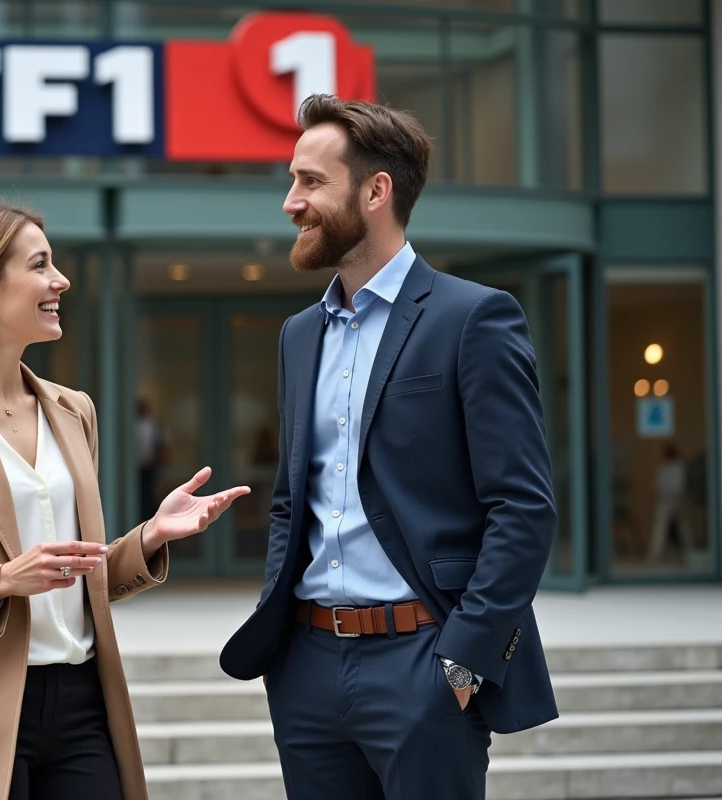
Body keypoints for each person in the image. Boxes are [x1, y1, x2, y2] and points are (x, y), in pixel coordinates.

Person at [219, 95, 559, 800]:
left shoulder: (474, 319)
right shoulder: (298, 336)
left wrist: (461, 665)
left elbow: (523, 510)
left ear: (376, 192)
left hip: (421, 662)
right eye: (292, 181)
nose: (291, 202)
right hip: (307, 667)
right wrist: (286, 651)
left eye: (311, 182)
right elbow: (291, 503)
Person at [0, 201, 249, 800]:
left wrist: (150, 537)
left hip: (84, 706)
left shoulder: (74, 411)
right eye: (39, 265)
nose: (60, 280)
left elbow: (76, 577)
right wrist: (0, 583)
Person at [649, 443, 692, 562]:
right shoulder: (676, 467)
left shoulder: (668, 468)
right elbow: (680, 486)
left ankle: (655, 556)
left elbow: (658, 486)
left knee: (664, 528)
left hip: (669, 501)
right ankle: (689, 553)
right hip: (674, 501)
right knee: (680, 528)